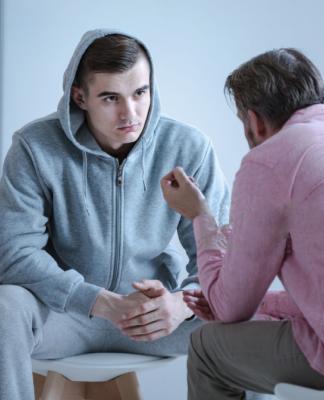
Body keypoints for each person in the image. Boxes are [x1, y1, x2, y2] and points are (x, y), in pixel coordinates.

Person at [0, 29, 230, 400]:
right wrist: (100, 302)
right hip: (64, 315)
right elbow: (13, 254)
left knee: (247, 320)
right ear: (80, 96)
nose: (131, 113)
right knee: (3, 309)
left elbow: (222, 253)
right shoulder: (34, 147)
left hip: (156, 316)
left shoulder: (189, 147)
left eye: (141, 92)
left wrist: (181, 304)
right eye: (110, 98)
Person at [161, 48, 324, 399]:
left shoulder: (270, 161)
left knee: (206, 348)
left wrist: (200, 216)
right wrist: (264, 305)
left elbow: (230, 308)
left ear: (254, 121)